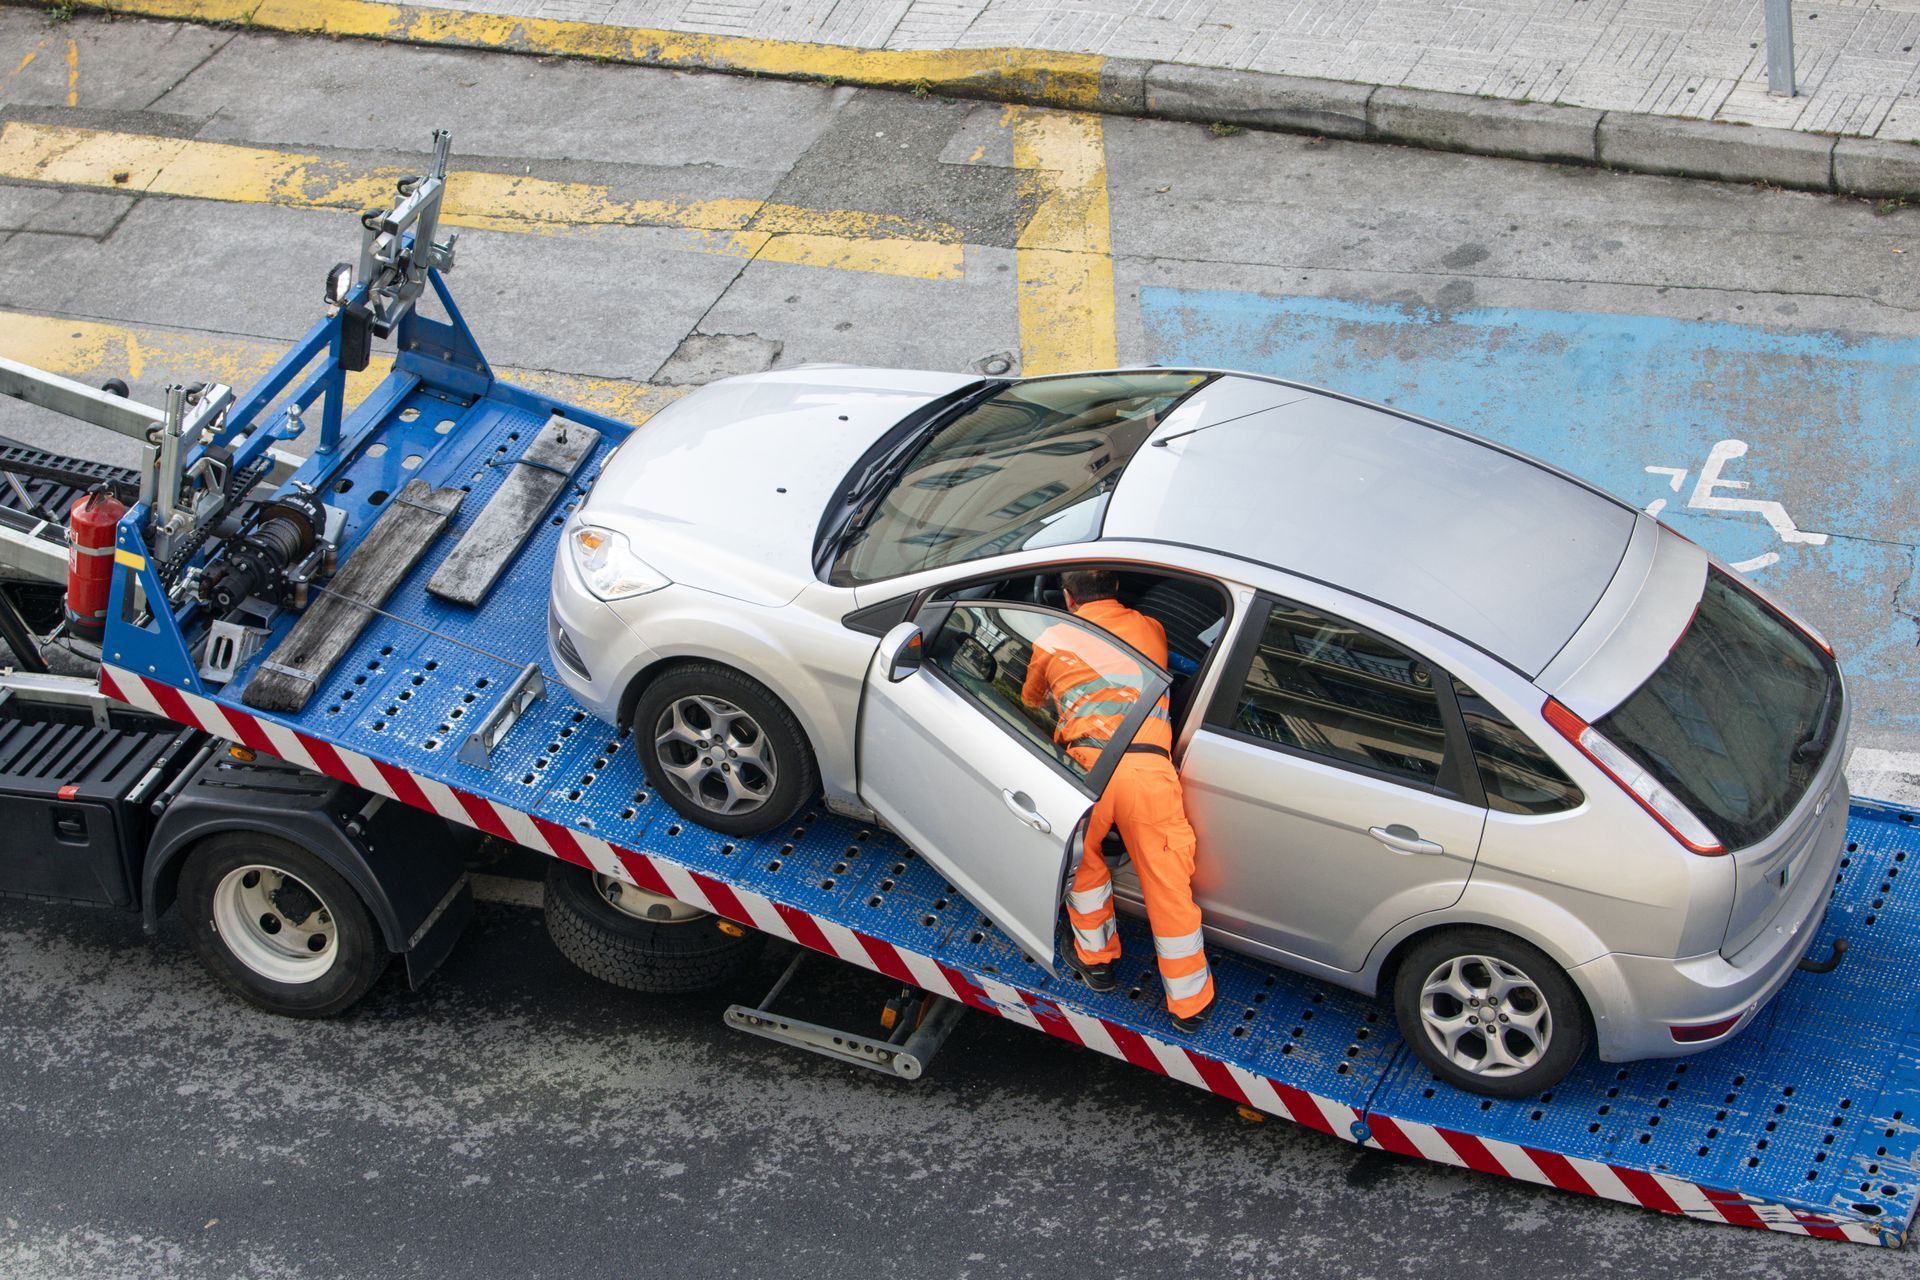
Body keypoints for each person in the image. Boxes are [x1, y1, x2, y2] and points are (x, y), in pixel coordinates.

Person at [1020, 568, 1216, 1031]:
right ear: (1116, 590)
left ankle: (1098, 962)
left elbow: (1030, 699)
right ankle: (1190, 1005)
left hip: (1087, 771)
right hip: (1147, 770)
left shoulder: (1052, 639)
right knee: (1167, 884)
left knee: (1083, 867)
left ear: (1068, 598)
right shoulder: (1151, 628)